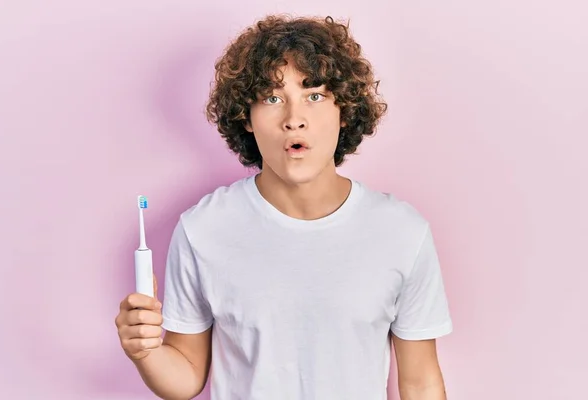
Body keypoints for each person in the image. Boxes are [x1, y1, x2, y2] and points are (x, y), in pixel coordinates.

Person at [115, 14, 453, 400]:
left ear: (344, 109)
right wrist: (144, 351)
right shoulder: (203, 229)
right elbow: (187, 376)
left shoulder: (401, 233)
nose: (295, 120)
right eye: (272, 98)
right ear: (246, 117)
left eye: (314, 95)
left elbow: (421, 382)